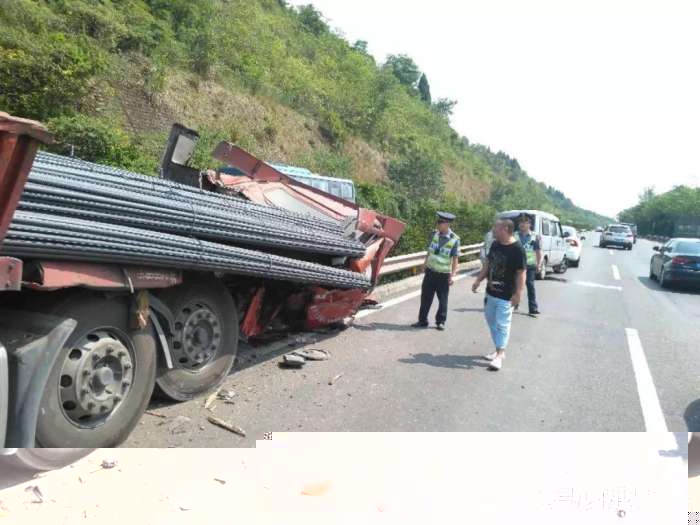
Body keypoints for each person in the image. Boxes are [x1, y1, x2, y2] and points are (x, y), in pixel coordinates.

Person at [471, 218, 526, 370]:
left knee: (502, 324)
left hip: (506, 295)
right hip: (491, 293)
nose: (493, 230)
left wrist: (518, 294)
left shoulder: (517, 249)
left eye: (496, 227)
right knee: (491, 322)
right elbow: (488, 265)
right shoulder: (495, 244)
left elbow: (521, 274)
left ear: (505, 230)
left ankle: (500, 355)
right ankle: (497, 350)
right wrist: (478, 280)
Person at [411, 212, 460, 331]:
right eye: (438, 222)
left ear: (447, 224)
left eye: (440, 222)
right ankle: (422, 320)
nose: (438, 224)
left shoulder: (455, 239)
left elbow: (455, 260)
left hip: (443, 275)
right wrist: (424, 264)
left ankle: (440, 321)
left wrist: (453, 275)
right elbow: (430, 251)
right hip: (430, 272)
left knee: (443, 300)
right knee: (425, 298)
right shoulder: (434, 234)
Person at [516, 214, 542, 316]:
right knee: (515, 285)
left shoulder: (535, 237)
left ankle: (533, 308)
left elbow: (538, 251)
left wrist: (539, 264)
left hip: (529, 265)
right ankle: (515, 303)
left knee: (530, 286)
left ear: (529, 224)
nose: (522, 224)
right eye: (520, 222)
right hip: (516, 265)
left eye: (525, 222)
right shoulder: (514, 235)